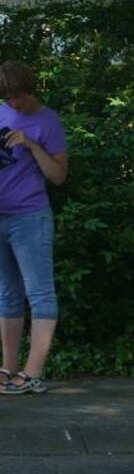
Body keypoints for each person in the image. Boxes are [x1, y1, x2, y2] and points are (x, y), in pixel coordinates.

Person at [0, 61, 67, 396]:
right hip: (0, 216)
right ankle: (8, 368)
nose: (14, 104)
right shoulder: (0, 112)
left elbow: (58, 176)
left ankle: (34, 373)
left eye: (19, 97)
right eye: (8, 99)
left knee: (39, 293)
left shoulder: (48, 121)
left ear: (30, 89)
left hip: (30, 217)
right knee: (7, 295)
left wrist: (32, 145)